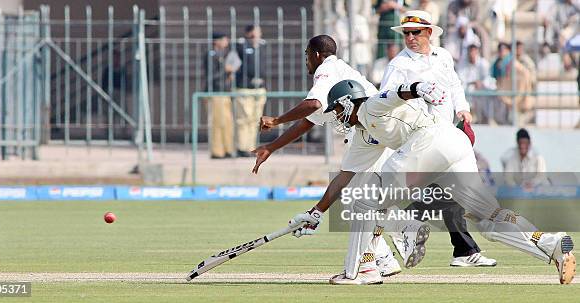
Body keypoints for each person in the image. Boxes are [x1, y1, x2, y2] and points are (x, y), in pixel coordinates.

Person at [288, 79, 576, 285]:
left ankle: (360, 271)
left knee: (366, 201)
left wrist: (418, 88)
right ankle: (551, 245)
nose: (337, 118)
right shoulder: (363, 136)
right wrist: (316, 213)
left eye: (338, 110)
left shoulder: (370, 106)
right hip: (453, 146)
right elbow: (344, 176)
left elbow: (397, 93)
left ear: (349, 101)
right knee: (489, 221)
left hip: (431, 140)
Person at [252, 35, 405, 282]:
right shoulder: (340, 73)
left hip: (373, 136)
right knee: (358, 201)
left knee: (360, 204)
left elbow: (312, 104)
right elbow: (309, 120)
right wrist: (271, 147)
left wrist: (276, 120)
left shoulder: (326, 70)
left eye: (306, 56)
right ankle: (383, 260)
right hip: (371, 136)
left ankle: (367, 266)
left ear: (315, 55)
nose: (305, 62)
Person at [379, 10, 496, 266]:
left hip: (446, 135)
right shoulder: (399, 65)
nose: (410, 38)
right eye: (406, 34)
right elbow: (383, 98)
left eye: (415, 33)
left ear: (429, 33)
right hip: (420, 139)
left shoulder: (443, 56)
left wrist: (462, 107)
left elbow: (454, 85)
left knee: (452, 192)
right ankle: (411, 226)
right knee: (456, 191)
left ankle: (462, 250)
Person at [203, 33, 240, 159]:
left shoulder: (224, 54)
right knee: (218, 122)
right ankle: (217, 151)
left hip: (225, 92)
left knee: (228, 122)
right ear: (216, 41)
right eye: (224, 39)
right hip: (216, 92)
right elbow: (211, 76)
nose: (226, 41)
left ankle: (228, 149)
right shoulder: (211, 54)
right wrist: (225, 70)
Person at [235, 25, 267, 157]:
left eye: (258, 34)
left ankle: (251, 147)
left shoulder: (262, 47)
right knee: (244, 118)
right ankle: (242, 147)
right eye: (254, 35)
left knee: (255, 119)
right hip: (244, 87)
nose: (257, 37)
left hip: (259, 88)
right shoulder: (241, 46)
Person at [457, 44, 499, 124]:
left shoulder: (483, 63)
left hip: (482, 90)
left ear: (477, 52)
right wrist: (473, 83)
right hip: (468, 91)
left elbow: (488, 78)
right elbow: (460, 80)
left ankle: (488, 118)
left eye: (474, 51)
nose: (472, 54)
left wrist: (481, 83)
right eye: (470, 51)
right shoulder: (462, 64)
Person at [334, 2, 371, 75]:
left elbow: (365, 37)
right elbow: (343, 39)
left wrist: (354, 30)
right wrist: (354, 38)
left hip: (360, 56)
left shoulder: (361, 19)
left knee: (362, 80)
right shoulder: (340, 22)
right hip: (346, 57)